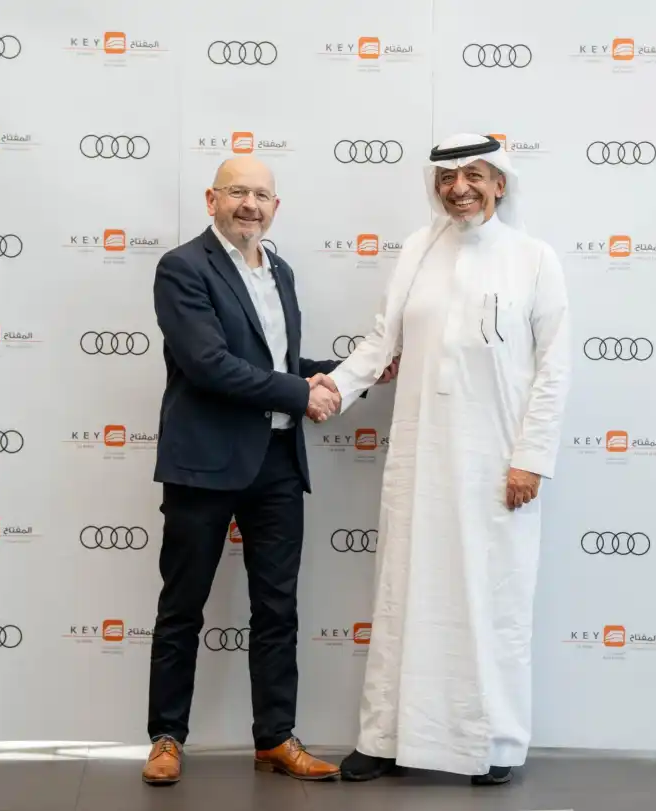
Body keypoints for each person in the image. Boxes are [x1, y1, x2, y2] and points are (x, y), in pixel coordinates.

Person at [316, 133, 571, 785]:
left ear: (500, 184)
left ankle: (497, 742)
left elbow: (554, 368)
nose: (459, 188)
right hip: (420, 453)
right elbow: (381, 341)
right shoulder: (418, 249)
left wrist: (531, 457)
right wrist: (333, 389)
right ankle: (385, 736)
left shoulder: (534, 259)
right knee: (404, 592)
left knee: (494, 601)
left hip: (497, 463)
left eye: (474, 176)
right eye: (447, 177)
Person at [142, 155, 396, 785]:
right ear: (212, 200)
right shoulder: (182, 268)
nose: (250, 205)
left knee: (278, 609)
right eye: (237, 192)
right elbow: (208, 363)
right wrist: (301, 394)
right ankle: (166, 738)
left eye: (261, 195)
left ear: (275, 207)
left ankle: (275, 739)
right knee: (183, 607)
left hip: (277, 463)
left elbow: (278, 363)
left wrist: (351, 376)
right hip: (204, 464)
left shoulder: (280, 271)